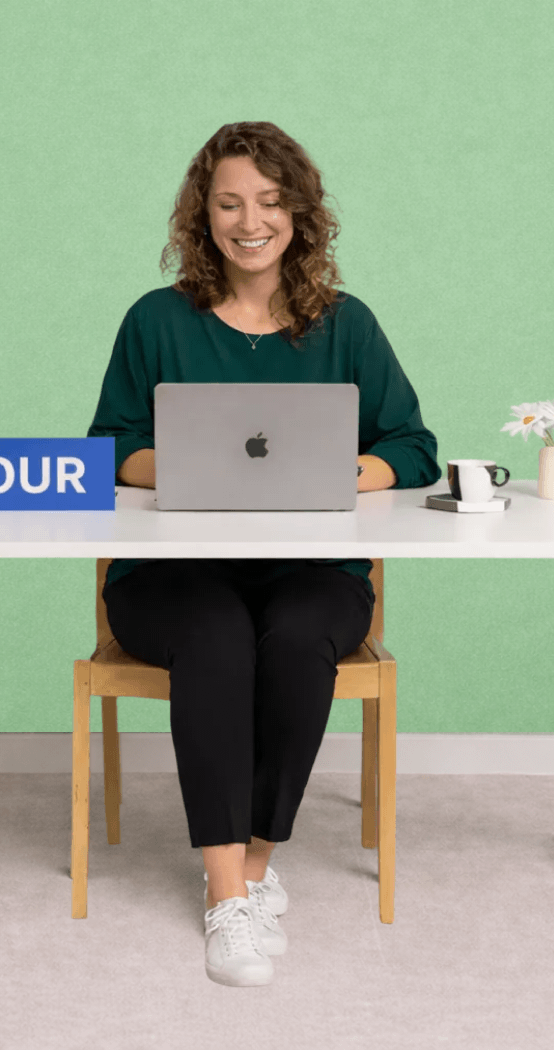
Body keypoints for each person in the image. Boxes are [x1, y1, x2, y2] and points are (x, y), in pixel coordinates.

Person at [86, 122, 440, 987]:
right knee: (212, 635)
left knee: (294, 637)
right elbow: (106, 449)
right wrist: (175, 465)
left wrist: (342, 468)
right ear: (202, 215)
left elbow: (414, 445)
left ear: (300, 215)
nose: (252, 221)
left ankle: (257, 862)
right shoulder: (156, 319)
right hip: (171, 580)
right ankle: (226, 900)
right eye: (230, 202)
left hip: (312, 573)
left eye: (272, 202)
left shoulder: (344, 324)